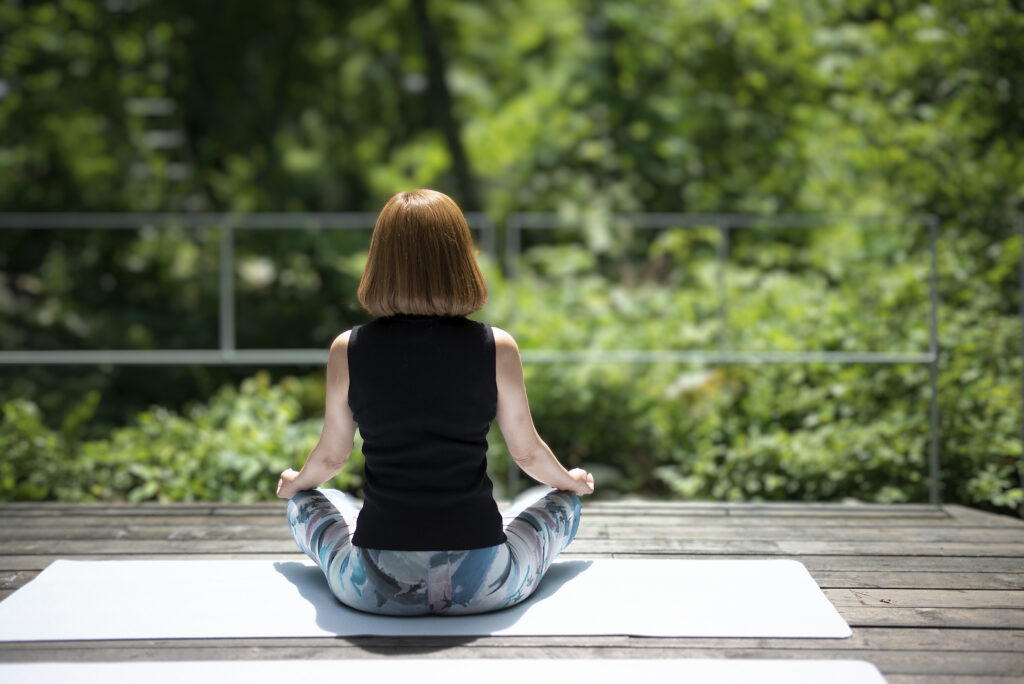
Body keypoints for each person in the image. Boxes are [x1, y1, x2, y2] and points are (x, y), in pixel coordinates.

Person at [276, 189, 595, 616]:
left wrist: (297, 482)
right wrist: (570, 482)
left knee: (307, 503)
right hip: (483, 583)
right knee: (562, 505)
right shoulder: (496, 347)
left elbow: (332, 457)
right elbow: (527, 453)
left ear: (379, 263)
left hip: (376, 586)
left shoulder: (347, 348)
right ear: (461, 259)